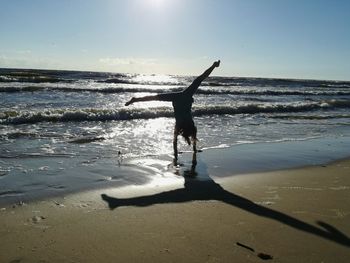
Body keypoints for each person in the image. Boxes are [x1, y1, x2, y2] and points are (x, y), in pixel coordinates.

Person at [125, 60, 220, 163]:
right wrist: (191, 151)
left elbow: (201, 77)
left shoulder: (188, 123)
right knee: (155, 97)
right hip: (180, 97)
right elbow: (175, 141)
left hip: (181, 96)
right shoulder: (180, 125)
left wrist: (214, 66)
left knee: (155, 97)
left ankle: (135, 99)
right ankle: (135, 99)